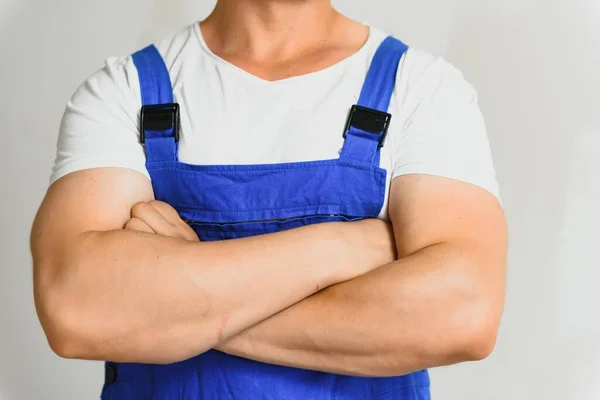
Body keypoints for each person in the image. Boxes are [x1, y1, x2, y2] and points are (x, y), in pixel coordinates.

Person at [30, 0, 508, 399]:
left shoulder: (423, 89)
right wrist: (341, 248)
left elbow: (462, 313)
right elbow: (77, 307)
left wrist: (180, 303)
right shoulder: (121, 92)